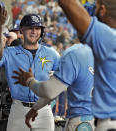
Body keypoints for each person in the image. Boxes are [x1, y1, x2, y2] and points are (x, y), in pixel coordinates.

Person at [0, 14, 60, 131]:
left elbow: (64, 77)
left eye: (37, 28)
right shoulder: (9, 53)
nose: (34, 31)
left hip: (44, 111)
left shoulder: (52, 53)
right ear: (22, 30)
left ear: (41, 31)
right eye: (30, 28)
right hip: (19, 109)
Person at [57, 0, 116, 130]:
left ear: (102, 10)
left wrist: (29, 81)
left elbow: (66, 3)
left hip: (107, 123)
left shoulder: (108, 39)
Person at [12, 43, 95, 131]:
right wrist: (35, 108)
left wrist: (29, 81)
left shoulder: (77, 54)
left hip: (82, 120)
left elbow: (50, 91)